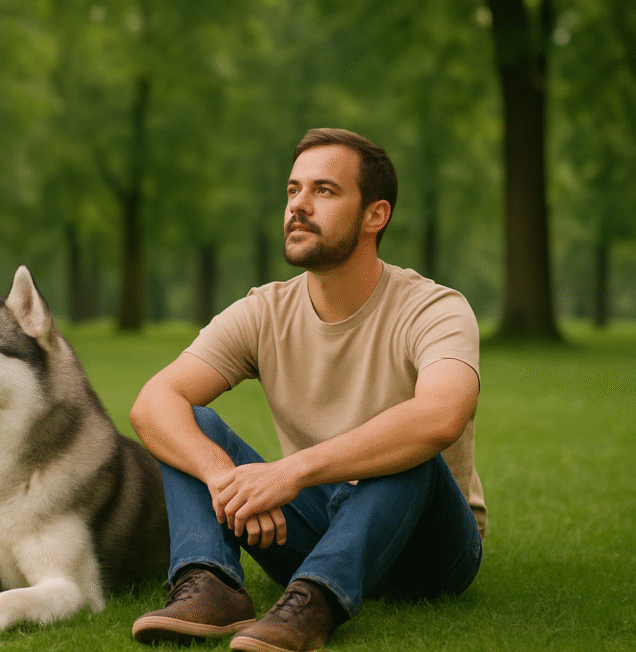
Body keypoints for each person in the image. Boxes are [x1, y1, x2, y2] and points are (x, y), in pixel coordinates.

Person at [129, 128, 485, 652]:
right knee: (192, 425)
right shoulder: (265, 310)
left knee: (411, 446)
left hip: (428, 548)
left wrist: (290, 472)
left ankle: (313, 603)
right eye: (293, 190)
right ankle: (209, 584)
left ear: (375, 215)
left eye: (324, 190)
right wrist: (224, 479)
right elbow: (154, 402)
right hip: (314, 527)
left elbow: (440, 415)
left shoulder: (435, 309)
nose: (298, 205)